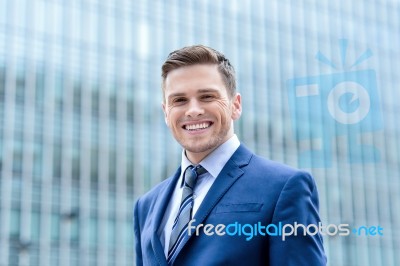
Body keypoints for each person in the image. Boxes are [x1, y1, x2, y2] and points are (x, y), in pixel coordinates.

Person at [134, 45, 327, 265]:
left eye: (207, 96)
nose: (193, 110)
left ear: (235, 105)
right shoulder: (146, 205)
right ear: (166, 113)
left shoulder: (284, 187)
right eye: (179, 100)